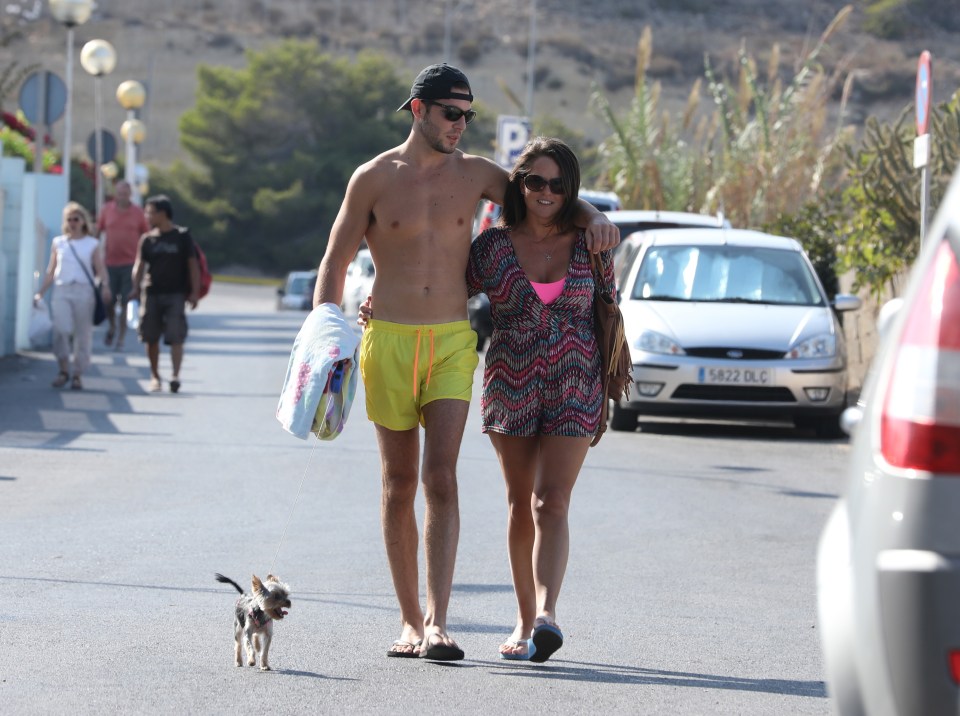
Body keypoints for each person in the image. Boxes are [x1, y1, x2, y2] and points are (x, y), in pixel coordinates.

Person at [313, 63, 619, 661]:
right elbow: (335, 258)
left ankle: (438, 622)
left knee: (441, 478)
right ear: (418, 109)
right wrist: (324, 333)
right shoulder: (372, 178)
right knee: (398, 482)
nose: (461, 125)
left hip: (453, 340)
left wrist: (597, 217)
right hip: (391, 340)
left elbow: (546, 197)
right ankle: (408, 621)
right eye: (452, 113)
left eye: (468, 115)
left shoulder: (479, 174)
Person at [465, 137, 612, 662]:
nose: (545, 192)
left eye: (557, 184)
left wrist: (610, 387)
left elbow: (609, 316)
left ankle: (547, 615)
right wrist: (380, 302)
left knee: (553, 502)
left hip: (577, 380)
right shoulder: (491, 247)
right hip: (511, 380)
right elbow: (443, 291)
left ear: (570, 189)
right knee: (519, 504)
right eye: (535, 182)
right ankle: (524, 621)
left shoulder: (591, 243)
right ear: (519, 185)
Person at [33, 202, 111, 391]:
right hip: (62, 289)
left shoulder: (91, 243)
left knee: (83, 334)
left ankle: (77, 373)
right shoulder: (59, 242)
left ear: (83, 221)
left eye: (76, 219)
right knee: (61, 329)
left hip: (84, 291)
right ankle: (63, 369)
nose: (73, 222)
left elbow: (99, 268)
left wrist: (106, 286)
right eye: (69, 219)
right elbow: (51, 270)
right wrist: (40, 292)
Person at [131, 195, 200, 394]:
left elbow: (192, 265)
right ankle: (155, 376)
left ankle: (175, 376)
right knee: (150, 337)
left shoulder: (182, 236)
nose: (147, 216)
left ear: (163, 213)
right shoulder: (147, 239)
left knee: (176, 336)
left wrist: (194, 293)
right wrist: (135, 287)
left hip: (176, 294)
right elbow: (139, 265)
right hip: (151, 293)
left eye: (150, 212)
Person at [96, 179, 149, 352]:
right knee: (109, 300)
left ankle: (121, 337)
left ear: (130, 195)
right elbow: (98, 232)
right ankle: (112, 326)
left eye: (125, 194)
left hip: (130, 264)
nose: (122, 197)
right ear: (115, 194)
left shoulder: (137, 213)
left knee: (126, 302)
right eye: (119, 193)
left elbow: (146, 235)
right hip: (110, 262)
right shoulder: (106, 210)